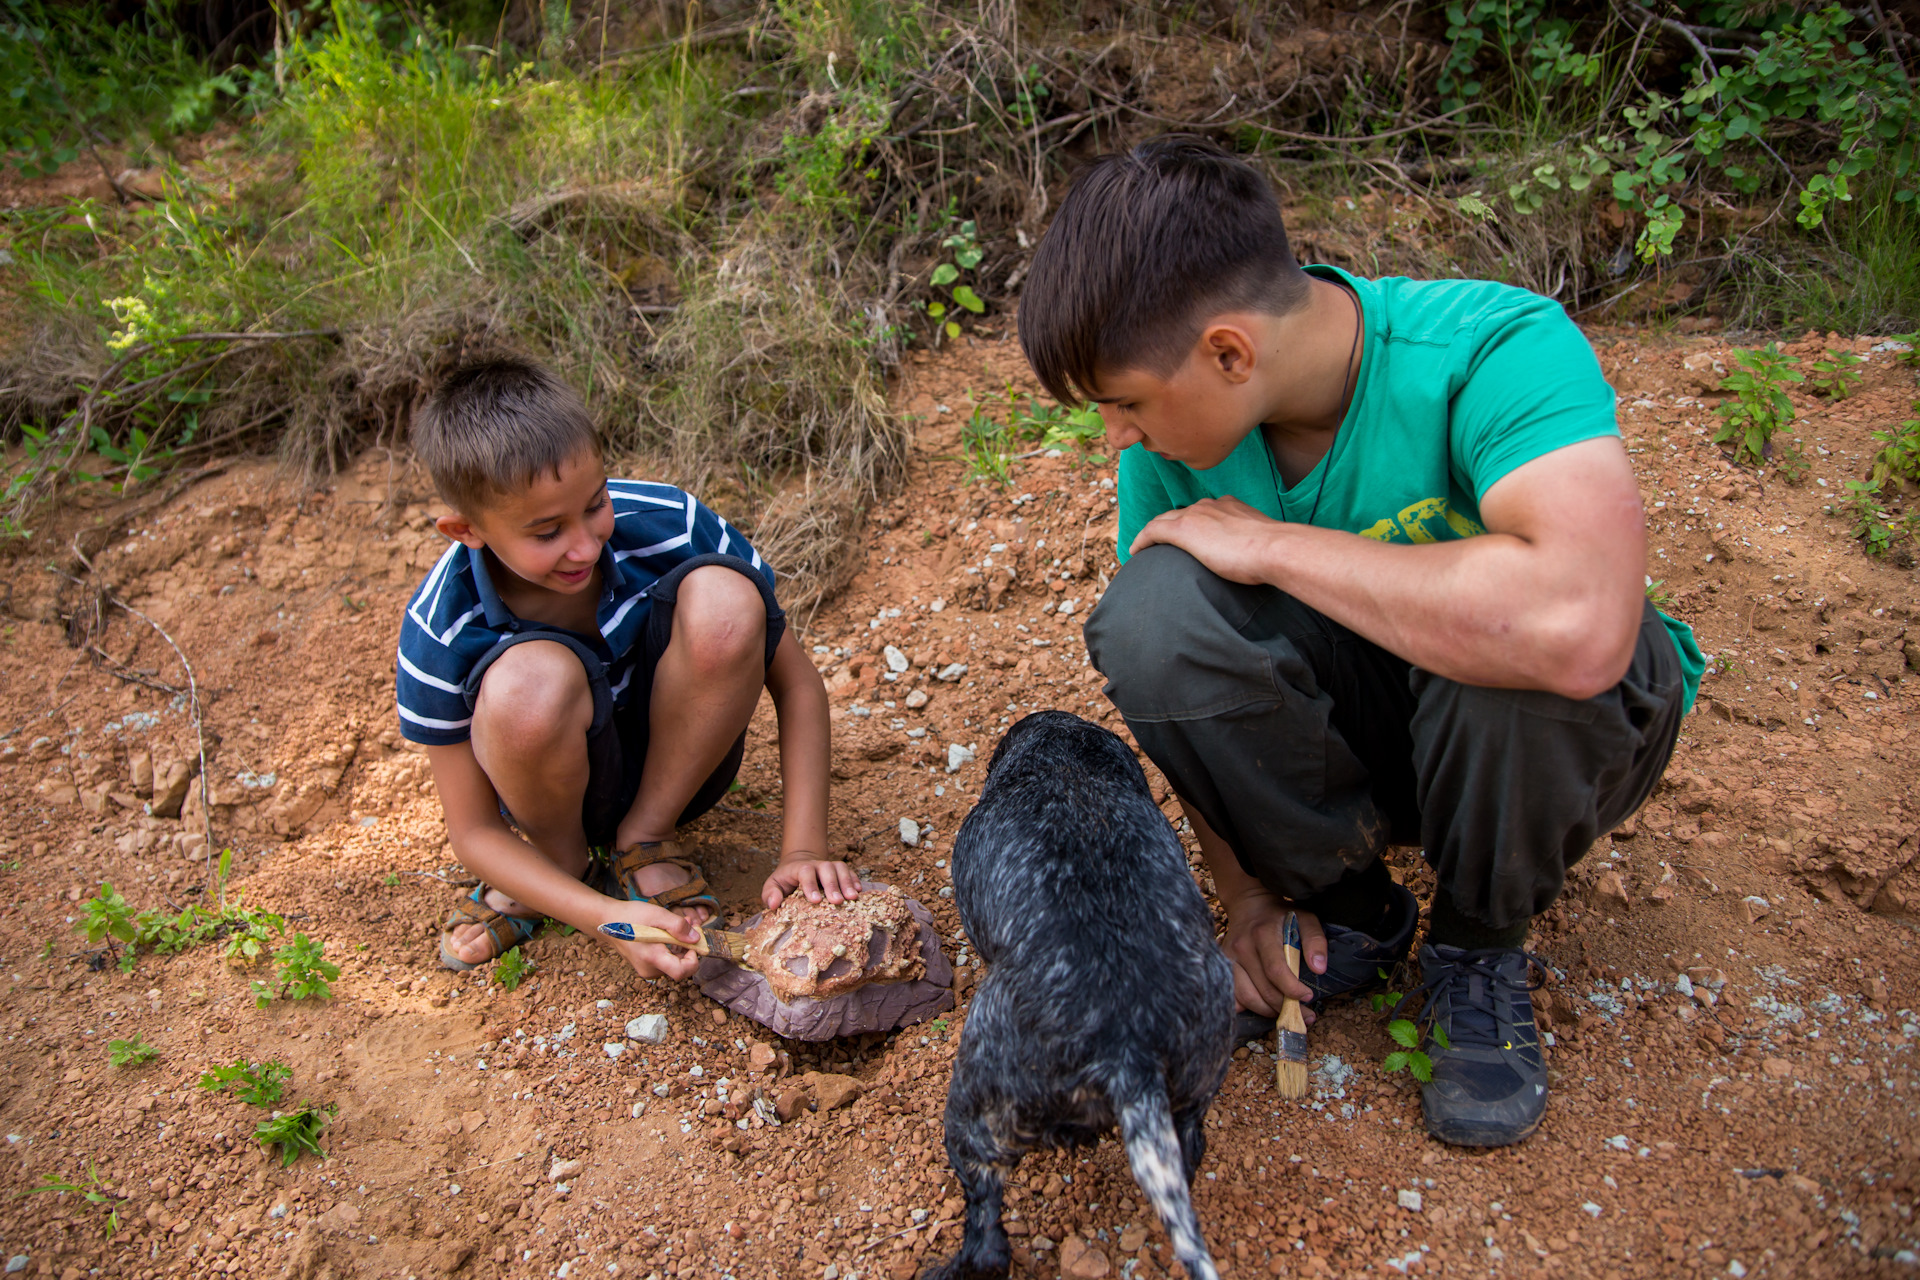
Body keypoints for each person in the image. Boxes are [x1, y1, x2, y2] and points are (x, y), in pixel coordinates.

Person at [1022, 137, 1701, 1148]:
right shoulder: (1181, 448)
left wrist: (1275, 546)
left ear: (1228, 352)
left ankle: (1478, 944)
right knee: (1152, 611)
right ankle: (1355, 906)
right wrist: (1249, 896)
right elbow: (1169, 668)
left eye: (1126, 402)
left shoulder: (1490, 346)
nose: (1118, 435)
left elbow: (1579, 625)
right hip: (1378, 739)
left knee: (1509, 645)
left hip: (1557, 728)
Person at [395, 356, 857, 982]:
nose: (585, 545)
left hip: (684, 765)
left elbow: (797, 684)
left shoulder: (670, 524)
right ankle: (558, 869)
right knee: (526, 688)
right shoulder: (440, 625)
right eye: (546, 532)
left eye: (594, 504)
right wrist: (606, 917)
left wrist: (803, 849)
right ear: (466, 530)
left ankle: (647, 838)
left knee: (726, 599)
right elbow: (473, 830)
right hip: (549, 796)